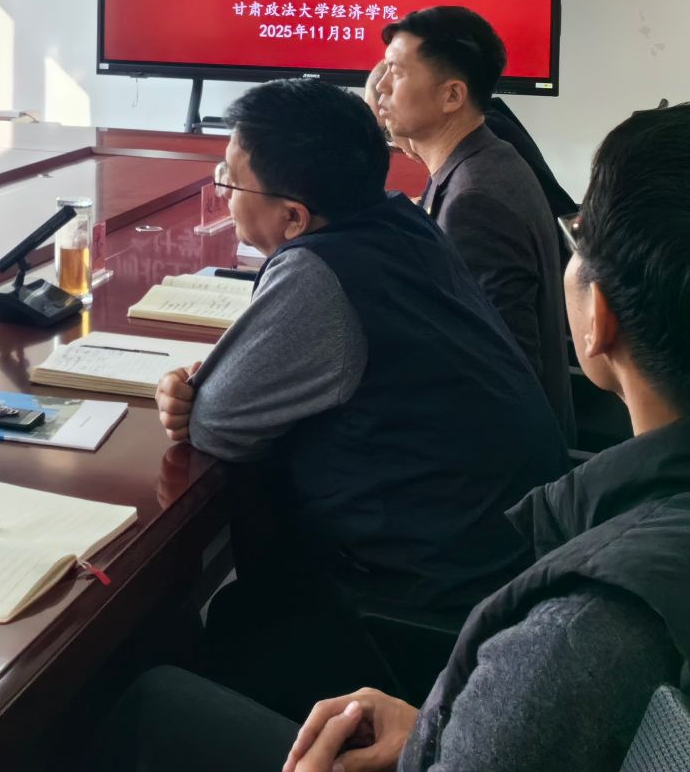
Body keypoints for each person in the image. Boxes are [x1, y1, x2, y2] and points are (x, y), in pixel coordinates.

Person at [109, 102, 690, 772]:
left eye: (578, 241)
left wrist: (454, 732)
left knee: (149, 703)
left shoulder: (587, 630)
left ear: (598, 320)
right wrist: (437, 729)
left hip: (421, 607)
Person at [154, 78, 568, 715]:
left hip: (422, 603)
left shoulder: (318, 272)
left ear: (294, 217)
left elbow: (216, 423)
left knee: (185, 660)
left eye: (230, 182)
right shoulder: (403, 222)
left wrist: (197, 393)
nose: (224, 196)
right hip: (500, 567)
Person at [370, 6, 574, 436]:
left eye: (396, 73)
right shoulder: (485, 157)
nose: (381, 87)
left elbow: (497, 372)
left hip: (498, 455)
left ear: (452, 96)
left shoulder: (474, 202)